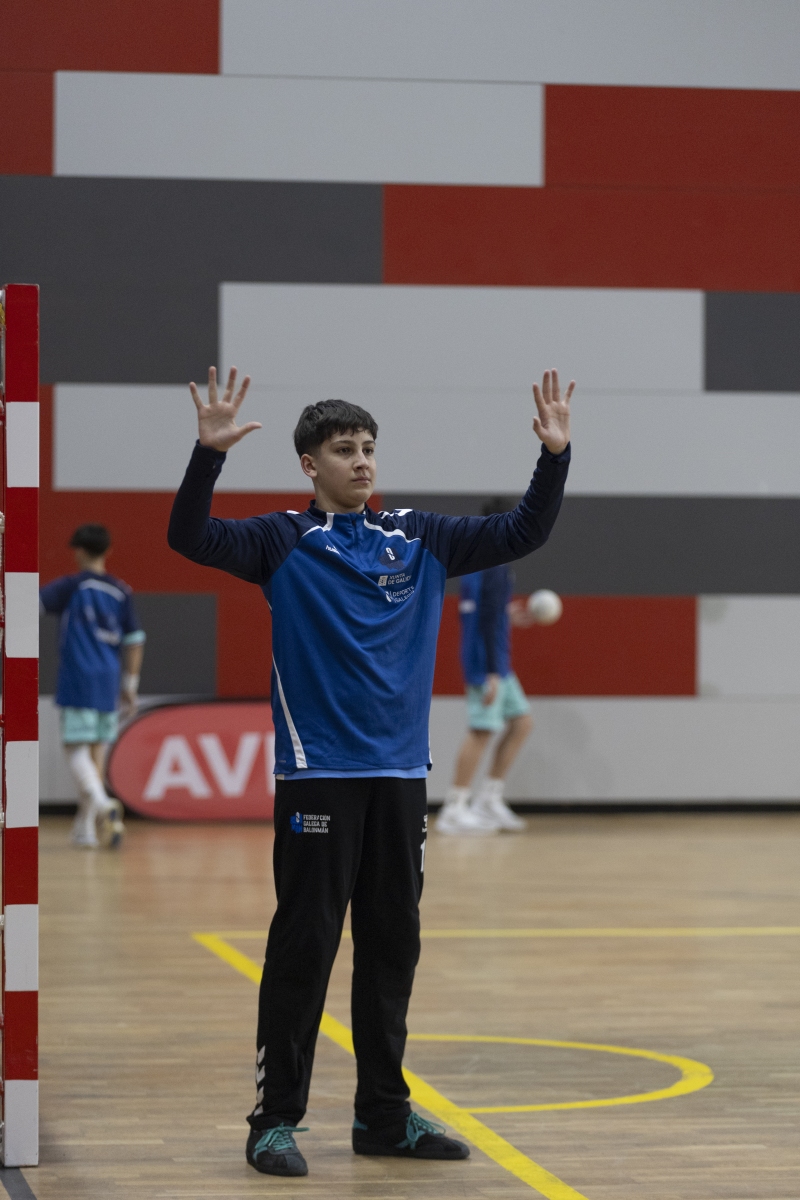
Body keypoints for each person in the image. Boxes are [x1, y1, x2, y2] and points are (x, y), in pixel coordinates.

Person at [168, 365, 573, 1178]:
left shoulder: (420, 537)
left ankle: (383, 1116)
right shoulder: (280, 540)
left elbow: (524, 531)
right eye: (343, 449)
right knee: (305, 946)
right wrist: (207, 456)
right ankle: (274, 1120)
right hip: (318, 777)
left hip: (400, 779)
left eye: (368, 448)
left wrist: (553, 456)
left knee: (393, 948)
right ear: (309, 464)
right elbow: (190, 537)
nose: (361, 461)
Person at [437, 497, 539, 835]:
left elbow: (480, 612)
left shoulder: (480, 561)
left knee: (521, 723)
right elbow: (482, 621)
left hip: (496, 662)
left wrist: (507, 615)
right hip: (488, 665)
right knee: (482, 730)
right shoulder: (493, 562)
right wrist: (492, 673)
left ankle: (488, 799)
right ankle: (454, 808)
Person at [39, 524, 146, 848]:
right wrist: (130, 685)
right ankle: (84, 830)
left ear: (79, 551)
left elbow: (34, 604)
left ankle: (101, 806)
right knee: (96, 753)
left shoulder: (72, 586)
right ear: (108, 551)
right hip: (108, 681)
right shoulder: (121, 591)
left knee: (75, 749)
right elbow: (135, 640)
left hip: (78, 678)